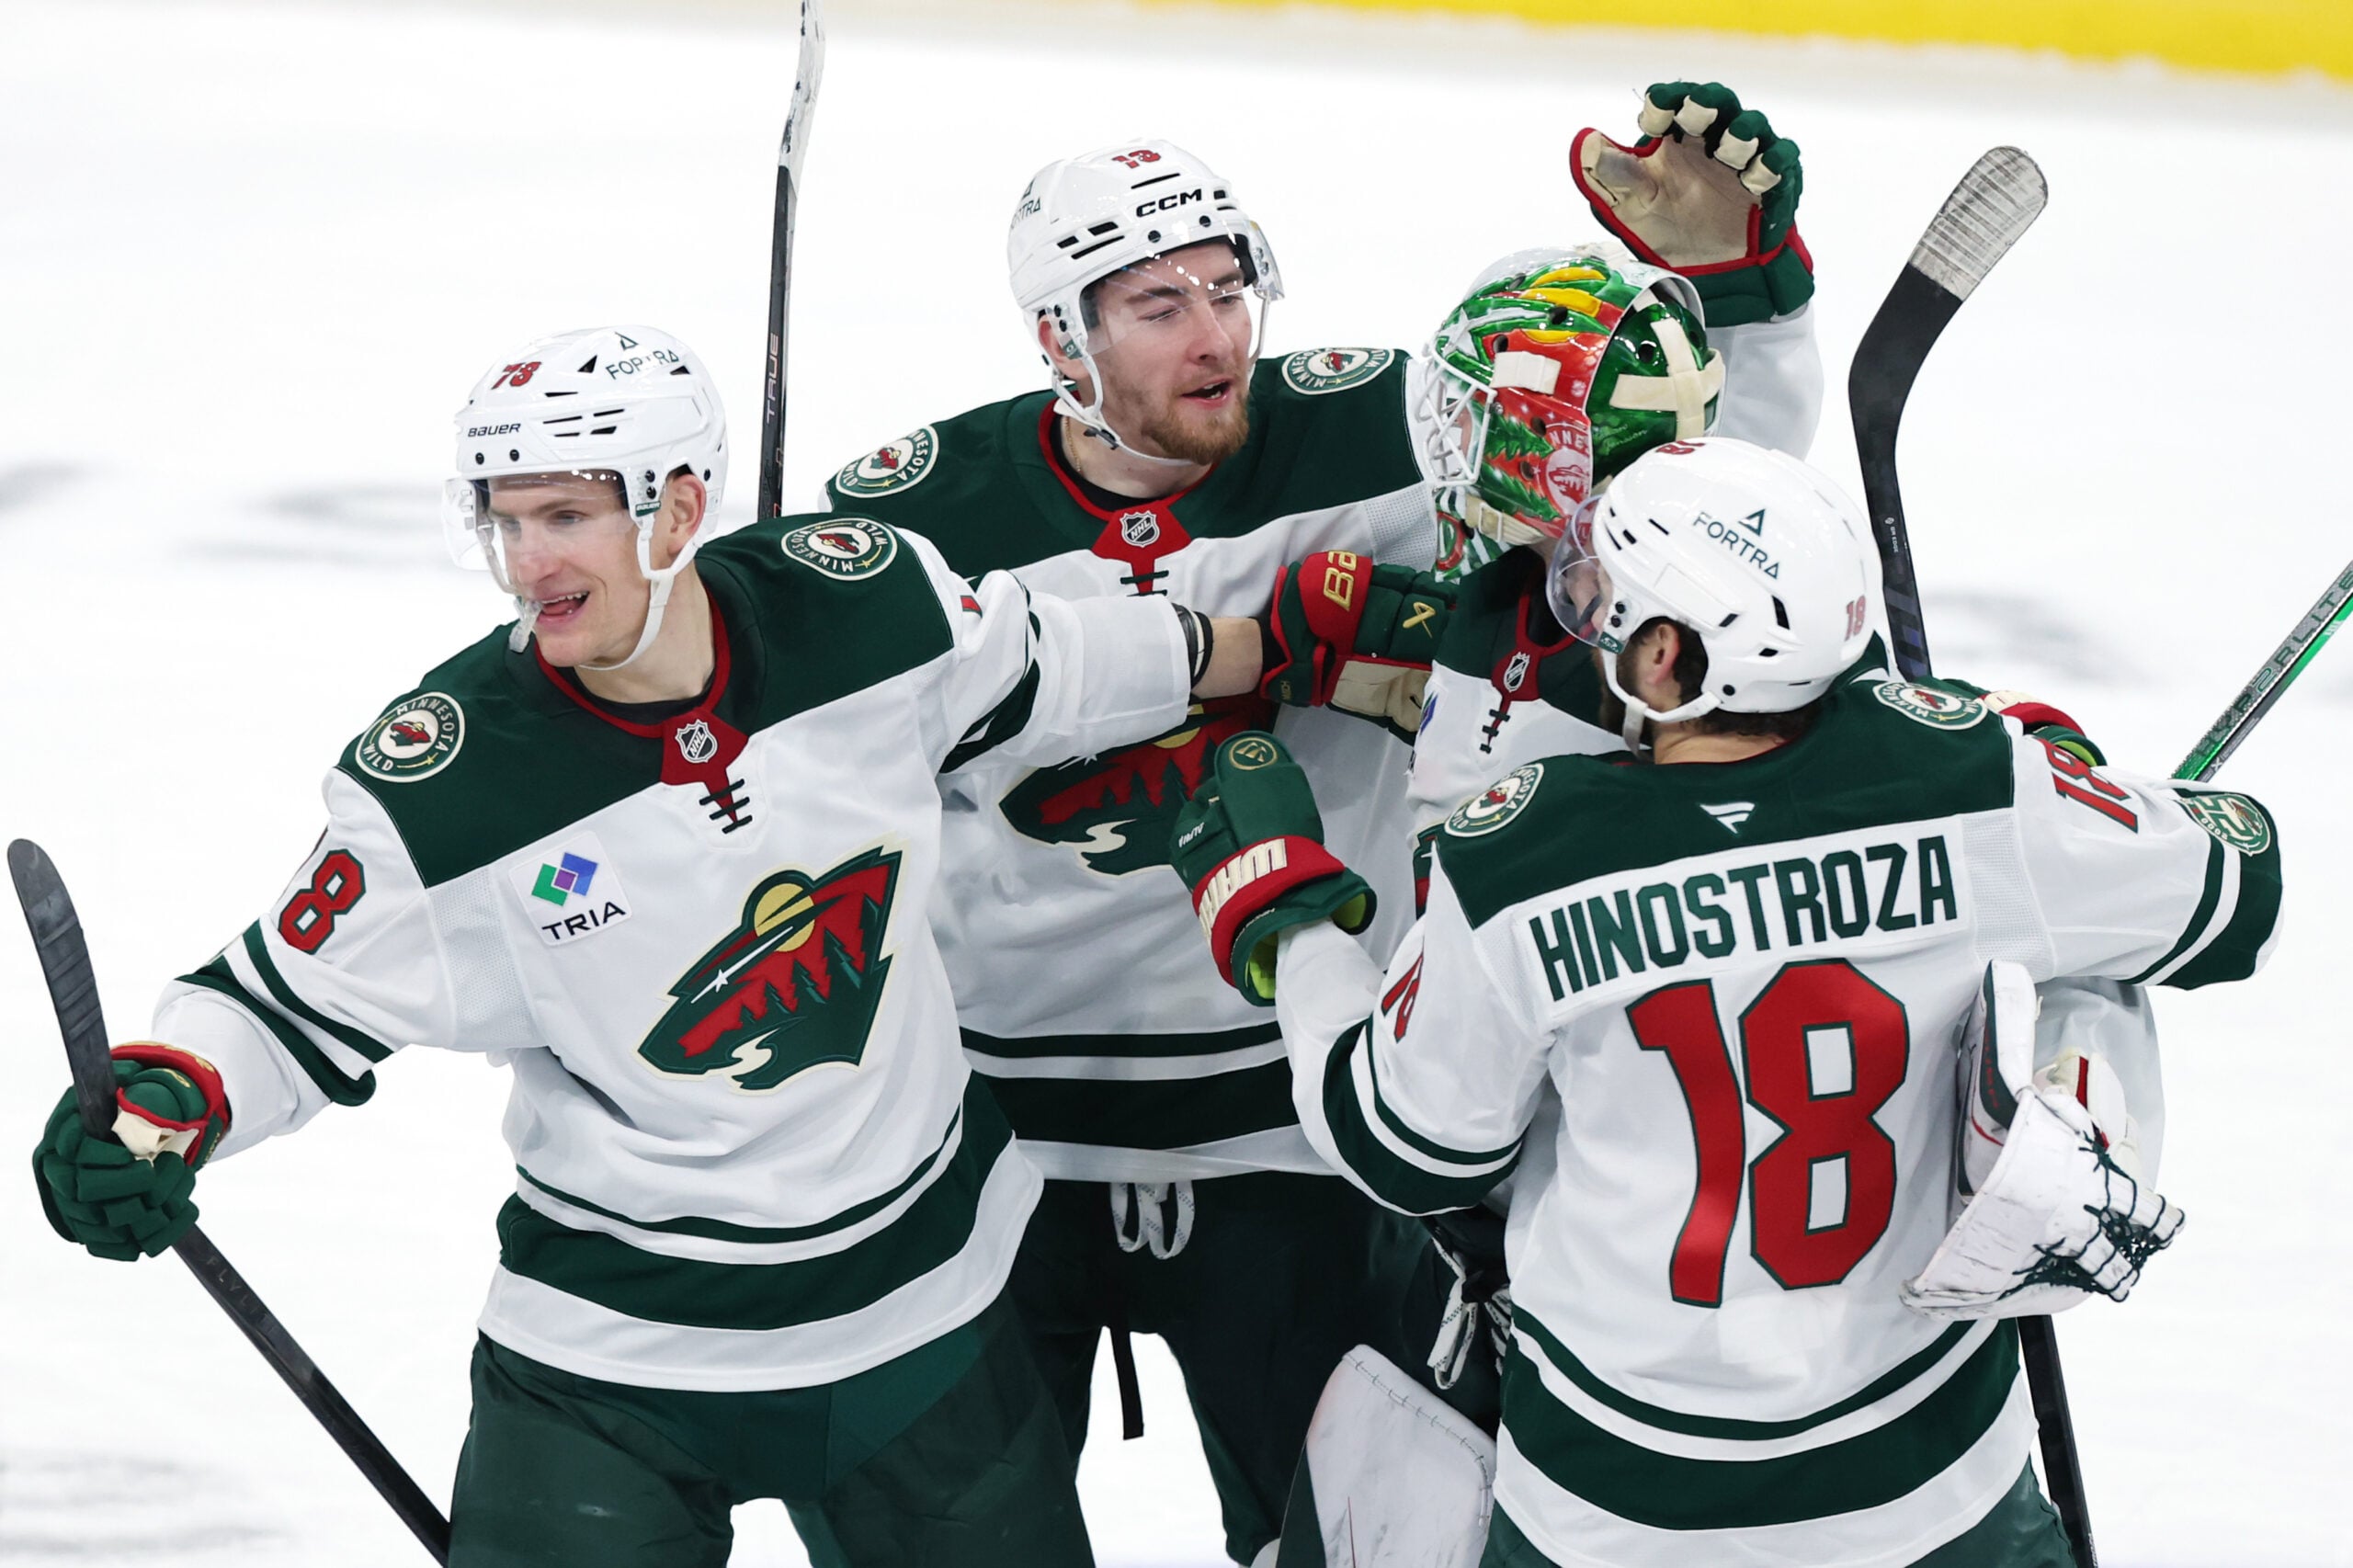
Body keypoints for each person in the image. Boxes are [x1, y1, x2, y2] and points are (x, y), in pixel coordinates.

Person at [28, 324, 1266, 1568]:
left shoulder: (865, 605)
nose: (527, 565)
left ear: (679, 509)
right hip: (613, 1372)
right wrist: (170, 1096)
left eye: (563, 517)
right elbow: (277, 1003)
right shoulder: (450, 781)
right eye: (504, 522)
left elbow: (1059, 661)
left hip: (922, 1324)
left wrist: (1284, 649)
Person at [1173, 437, 2280, 1567]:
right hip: (1934, 1486)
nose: (1580, 616)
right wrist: (2056, 774)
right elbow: (2239, 886)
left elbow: (1403, 1145)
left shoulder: (1525, 853)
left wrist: (1291, 919)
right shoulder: (1974, 785)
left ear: (1669, 654)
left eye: (1604, 597)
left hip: (1618, 1507)